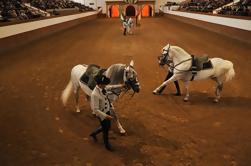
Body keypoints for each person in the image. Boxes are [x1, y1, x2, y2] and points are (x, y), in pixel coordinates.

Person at [89, 74, 114, 151]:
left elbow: (110, 87)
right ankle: (107, 145)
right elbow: (95, 109)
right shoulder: (94, 94)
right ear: (100, 84)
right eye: (104, 84)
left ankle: (94, 133)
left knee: (107, 127)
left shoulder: (103, 88)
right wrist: (106, 116)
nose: (106, 85)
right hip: (102, 115)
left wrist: (121, 86)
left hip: (107, 111)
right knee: (106, 130)